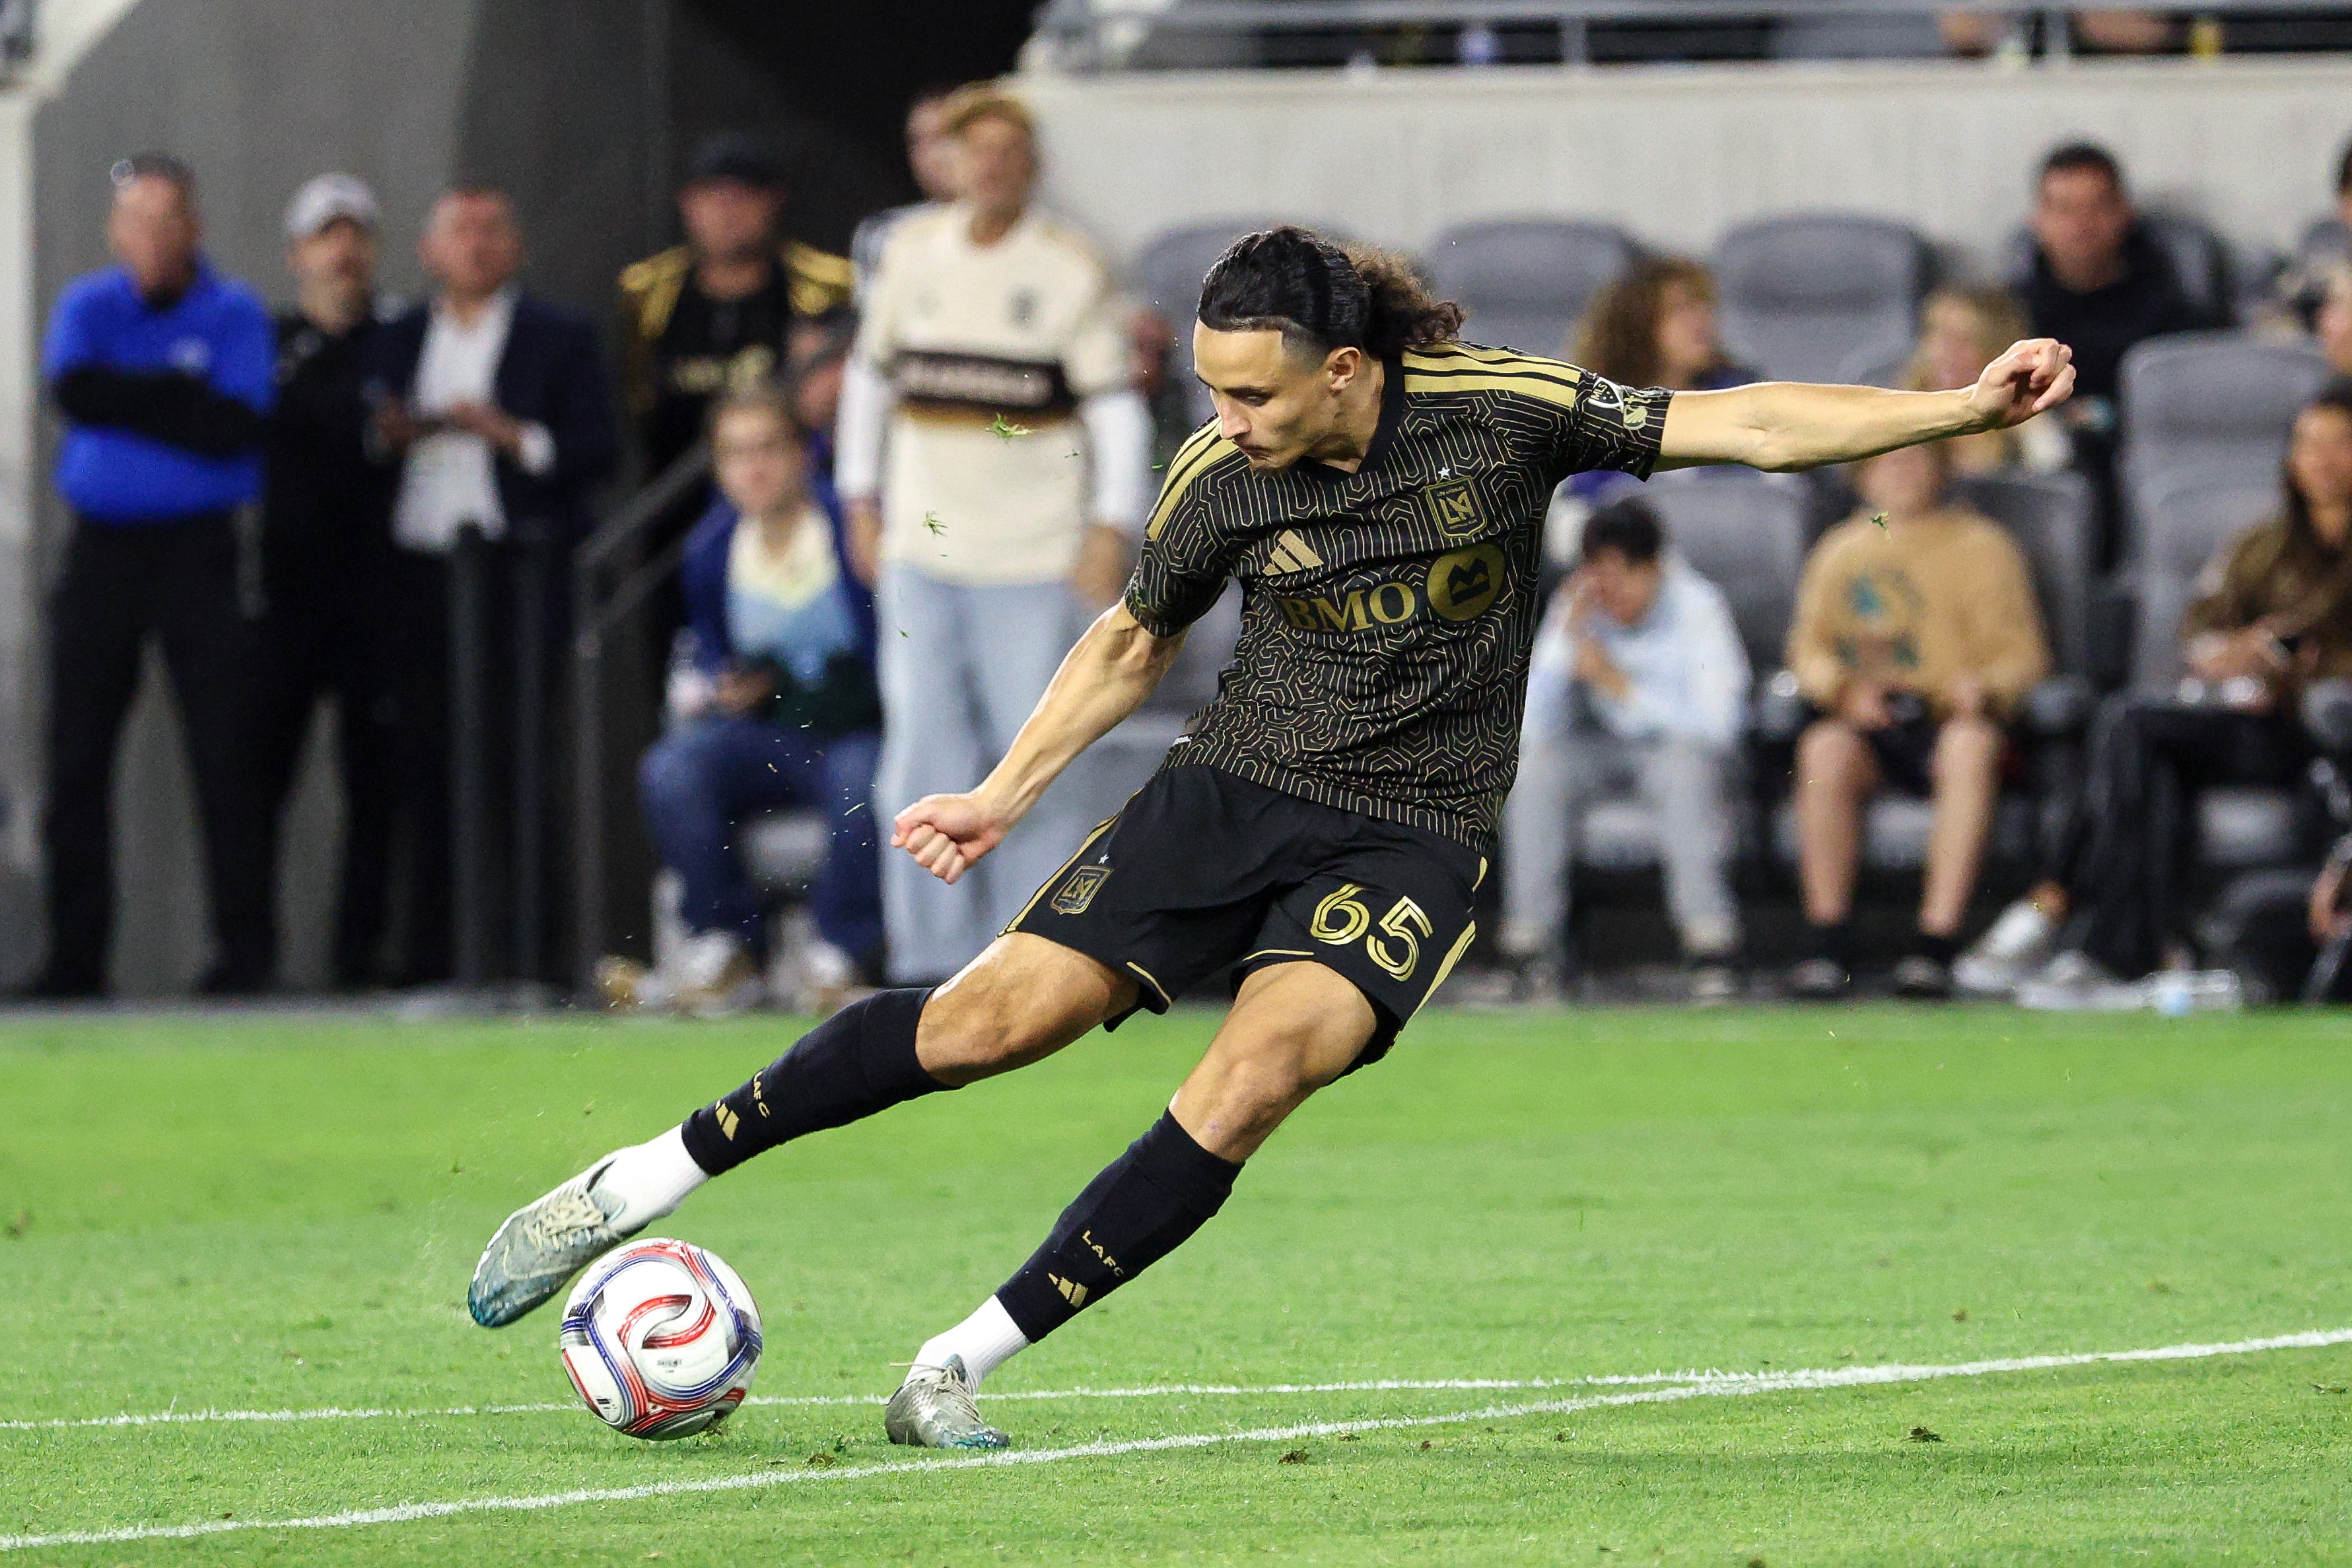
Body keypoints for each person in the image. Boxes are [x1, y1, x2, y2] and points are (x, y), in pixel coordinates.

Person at [467, 226, 2075, 1450]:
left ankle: (956, 1364)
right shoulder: (1215, 477)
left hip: (1411, 835)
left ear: (1344, 372)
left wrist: (1949, 405)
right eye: (1205, 388)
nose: (1221, 418)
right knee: (979, 1029)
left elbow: (1749, 424)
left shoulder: (1496, 414)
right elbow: (1125, 639)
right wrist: (1005, 793)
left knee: (1249, 1076)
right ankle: (629, 1183)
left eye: (1247, 391)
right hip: (1230, 791)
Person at [835, 85, 1152, 985]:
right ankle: (927, 960)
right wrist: (859, 499)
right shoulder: (907, 252)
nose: (992, 166)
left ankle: (1034, 955)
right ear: (951, 160)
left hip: (1034, 551)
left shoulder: (1069, 264)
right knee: (918, 758)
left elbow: (1114, 408)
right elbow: (870, 379)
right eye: (976, 150)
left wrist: (1110, 525)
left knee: (1036, 755)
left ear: (1031, 165)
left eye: (1010, 151)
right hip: (923, 550)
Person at [1964, 384, 2352, 1001]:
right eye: (2309, 445)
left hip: (2330, 738)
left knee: (2135, 729)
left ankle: (2065, 908)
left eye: (2340, 445)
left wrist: (2307, 670)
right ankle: (2132, 953)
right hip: (2258, 721)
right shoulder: (2263, 545)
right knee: (2143, 749)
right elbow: (2199, 634)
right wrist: (2235, 654)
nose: (2323, 461)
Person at [21, 154, 275, 998]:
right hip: (103, 553)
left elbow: (233, 425)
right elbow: (77, 394)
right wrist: (177, 392)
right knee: (76, 758)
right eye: (139, 220)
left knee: (227, 753)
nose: (154, 238)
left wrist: (133, 395)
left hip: (200, 555)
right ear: (114, 230)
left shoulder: (235, 311)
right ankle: (74, 959)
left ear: (195, 229)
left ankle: (244, 957)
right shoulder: (86, 304)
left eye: (170, 221)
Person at [369, 186, 618, 984]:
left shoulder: (560, 335)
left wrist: (507, 434)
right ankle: (428, 953)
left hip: (519, 576)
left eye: (490, 230)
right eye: (458, 232)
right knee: (421, 761)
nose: (474, 246)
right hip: (420, 575)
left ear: (514, 247)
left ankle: (531, 951)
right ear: (428, 250)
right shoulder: (400, 334)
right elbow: (358, 436)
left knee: (520, 761)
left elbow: (596, 449)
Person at [598, 383, 882, 1017]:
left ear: (804, 453)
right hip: (772, 737)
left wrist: (781, 682)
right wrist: (730, 688)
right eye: (734, 453)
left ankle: (840, 950)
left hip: (858, 730)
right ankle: (726, 943)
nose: (753, 468)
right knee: (674, 767)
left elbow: (886, 667)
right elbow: (720, 656)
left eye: (768, 449)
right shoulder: (709, 550)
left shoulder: (847, 529)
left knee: (863, 779)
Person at [1785, 439, 2051, 1000]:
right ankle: (1826, 941)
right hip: (1870, 721)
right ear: (1862, 475)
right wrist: (1842, 689)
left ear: (1943, 471)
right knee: (1823, 751)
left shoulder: (1985, 547)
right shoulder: (1840, 551)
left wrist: (1983, 687)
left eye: (1916, 459)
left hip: (1952, 717)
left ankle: (1936, 942)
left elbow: (2023, 657)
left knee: (1968, 748)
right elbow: (1808, 651)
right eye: (1887, 460)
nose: (1901, 472)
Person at [1500, 498, 1750, 1000]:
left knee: (1684, 767)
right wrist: (1565, 648)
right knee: (1536, 769)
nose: (1610, 590)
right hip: (1594, 754)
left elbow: (1719, 728)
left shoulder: (1700, 607)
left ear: (1655, 566)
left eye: (1624, 573)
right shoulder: (1578, 605)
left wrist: (1619, 687)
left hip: (1674, 758)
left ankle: (1710, 942)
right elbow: (1530, 728)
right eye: (1599, 573)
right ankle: (1531, 945)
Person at [254, 174, 400, 990]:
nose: (342, 252)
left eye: (355, 236)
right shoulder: (268, 344)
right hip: (284, 595)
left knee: (377, 786)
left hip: (379, 598)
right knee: (259, 777)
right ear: (297, 253)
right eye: (325, 237)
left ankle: (359, 957)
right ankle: (249, 957)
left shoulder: (402, 341)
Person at [2013, 142, 2221, 564]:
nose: (2081, 225)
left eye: (2095, 208)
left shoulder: (2175, 316)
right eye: (2064, 209)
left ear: (2124, 214)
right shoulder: (2013, 317)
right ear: (2037, 221)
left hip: (2144, 479)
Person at [618, 135, 854, 485]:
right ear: (688, 205)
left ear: (774, 203)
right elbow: (638, 395)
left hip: (796, 489)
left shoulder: (825, 287)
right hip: (676, 496)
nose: (727, 212)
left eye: (743, 198)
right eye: (713, 198)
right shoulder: (648, 291)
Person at [1545, 257, 1756, 552]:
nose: (1701, 320)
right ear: (1638, 327)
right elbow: (1571, 525)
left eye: (1702, 306)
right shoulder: (1603, 415)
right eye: (1679, 310)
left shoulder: (1740, 392)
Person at [1902, 285, 2070, 475]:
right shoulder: (1899, 419)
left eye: (1965, 341)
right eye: (1937, 336)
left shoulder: (2035, 438)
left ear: (2000, 353)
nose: (1944, 353)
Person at [850, 86, 962, 301]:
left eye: (942, 137)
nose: (930, 155)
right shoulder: (882, 233)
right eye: (918, 142)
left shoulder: (1015, 228)